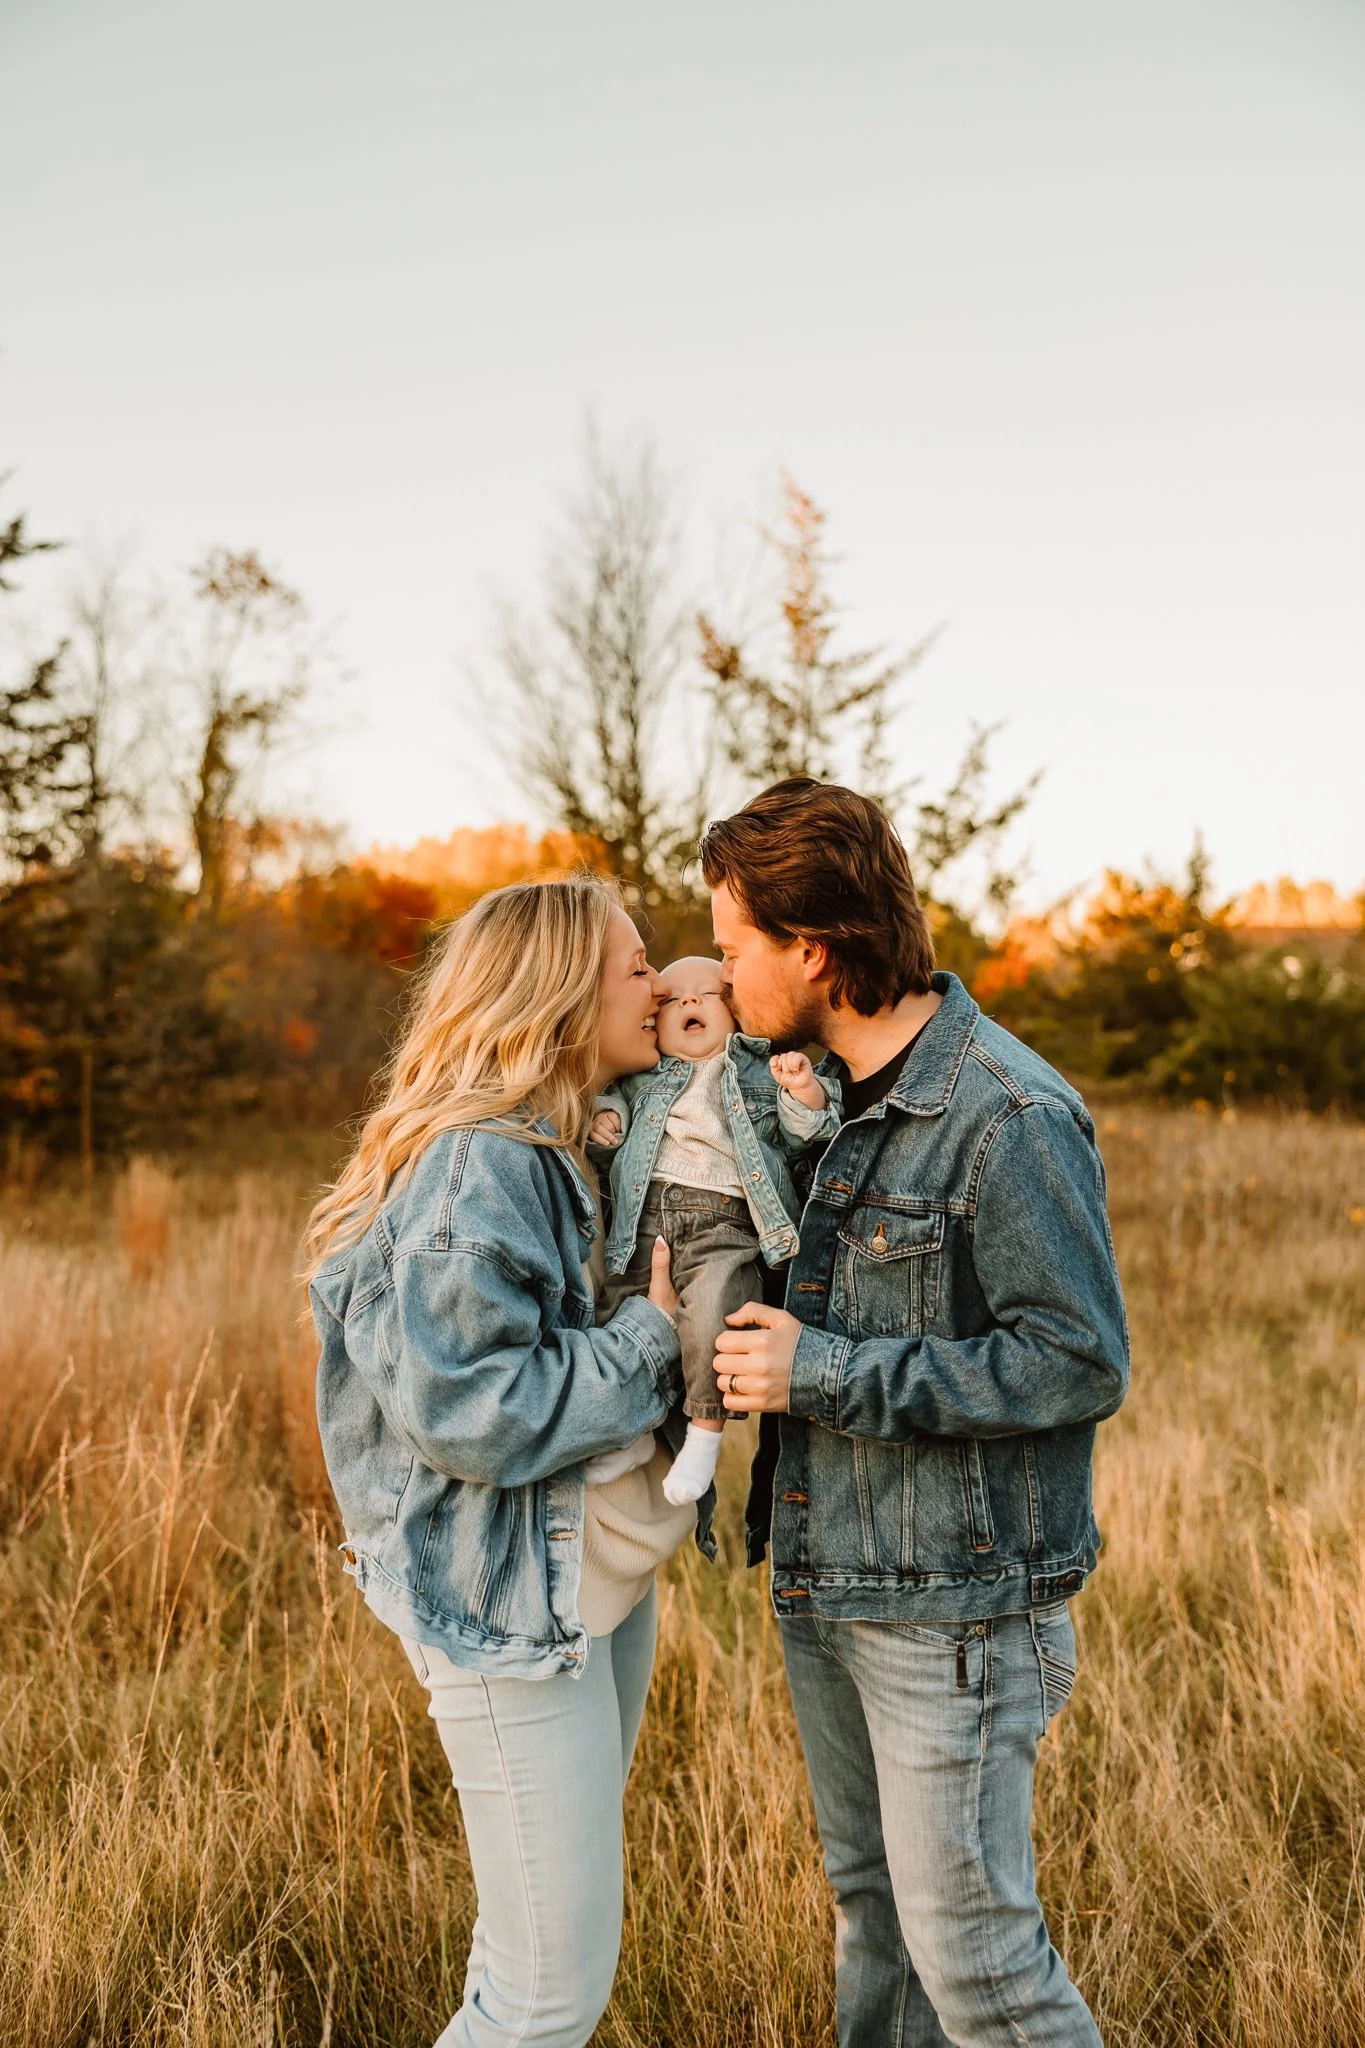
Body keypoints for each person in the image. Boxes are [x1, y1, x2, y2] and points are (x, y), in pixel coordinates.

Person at [698, 778, 1129, 2048]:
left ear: (814, 950)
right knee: (877, 1928)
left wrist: (824, 1370)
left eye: (733, 949)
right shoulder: (820, 1096)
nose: (721, 978)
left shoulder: (1009, 1115)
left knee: (983, 1968)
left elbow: (1075, 1361)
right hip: (832, 1587)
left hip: (954, 1613)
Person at [304, 878, 712, 2048]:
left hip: (579, 1581)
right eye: (637, 963)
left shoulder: (566, 1140)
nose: (663, 979)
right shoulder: (480, 1161)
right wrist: (649, 1335)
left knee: (528, 1960)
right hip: (505, 1600)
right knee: (540, 1998)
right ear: (562, 989)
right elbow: (475, 1407)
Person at [587, 954, 840, 1505]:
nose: (690, 1003)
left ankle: (704, 1431)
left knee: (710, 1318)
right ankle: (629, 1429)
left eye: (706, 994)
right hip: (644, 1220)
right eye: (674, 1000)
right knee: (617, 1309)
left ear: (735, 1015)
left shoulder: (753, 1070)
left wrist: (804, 1093)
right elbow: (615, 1142)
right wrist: (605, 1125)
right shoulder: (641, 1077)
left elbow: (803, 1139)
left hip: (723, 1224)